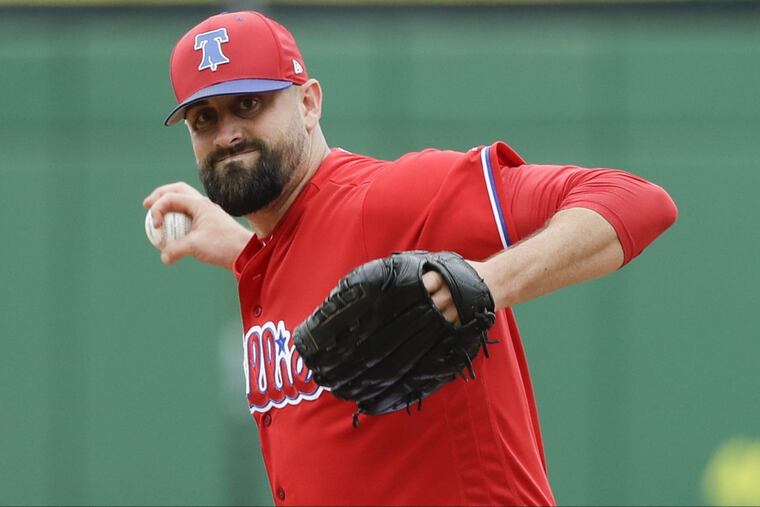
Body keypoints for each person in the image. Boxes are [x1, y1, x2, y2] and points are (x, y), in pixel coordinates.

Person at [143, 10, 677, 506]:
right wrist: (241, 248)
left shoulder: (392, 197)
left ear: (308, 104)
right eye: (203, 118)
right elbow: (325, 267)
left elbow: (634, 200)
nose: (228, 134)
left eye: (249, 104)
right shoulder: (268, 257)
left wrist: (483, 283)